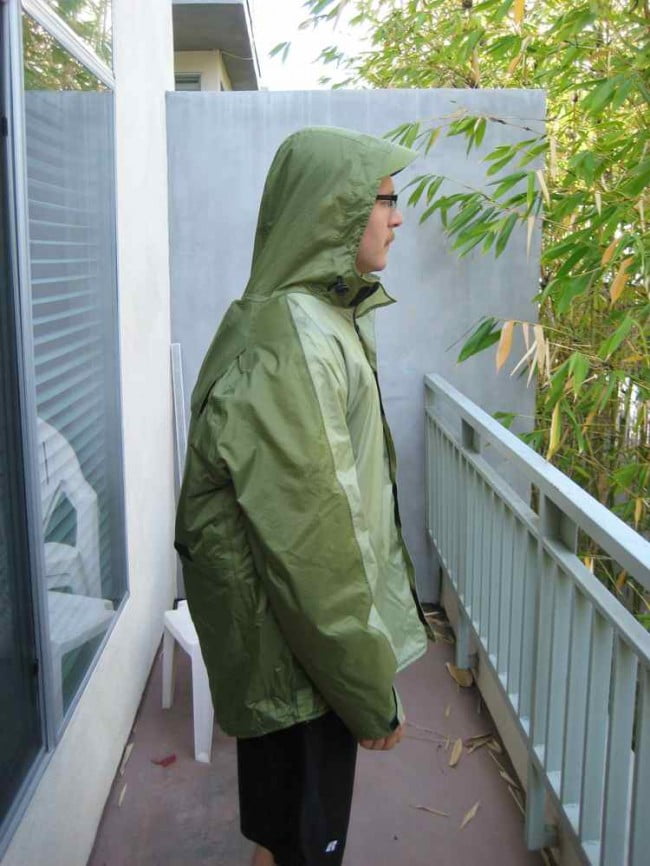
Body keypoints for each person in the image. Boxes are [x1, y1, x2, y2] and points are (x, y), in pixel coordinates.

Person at [174, 126, 432, 866]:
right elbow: (312, 547)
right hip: (297, 662)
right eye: (386, 200)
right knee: (300, 847)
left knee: (285, 839)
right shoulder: (293, 337)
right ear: (334, 208)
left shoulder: (316, 317)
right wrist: (367, 692)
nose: (398, 218)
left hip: (293, 653)